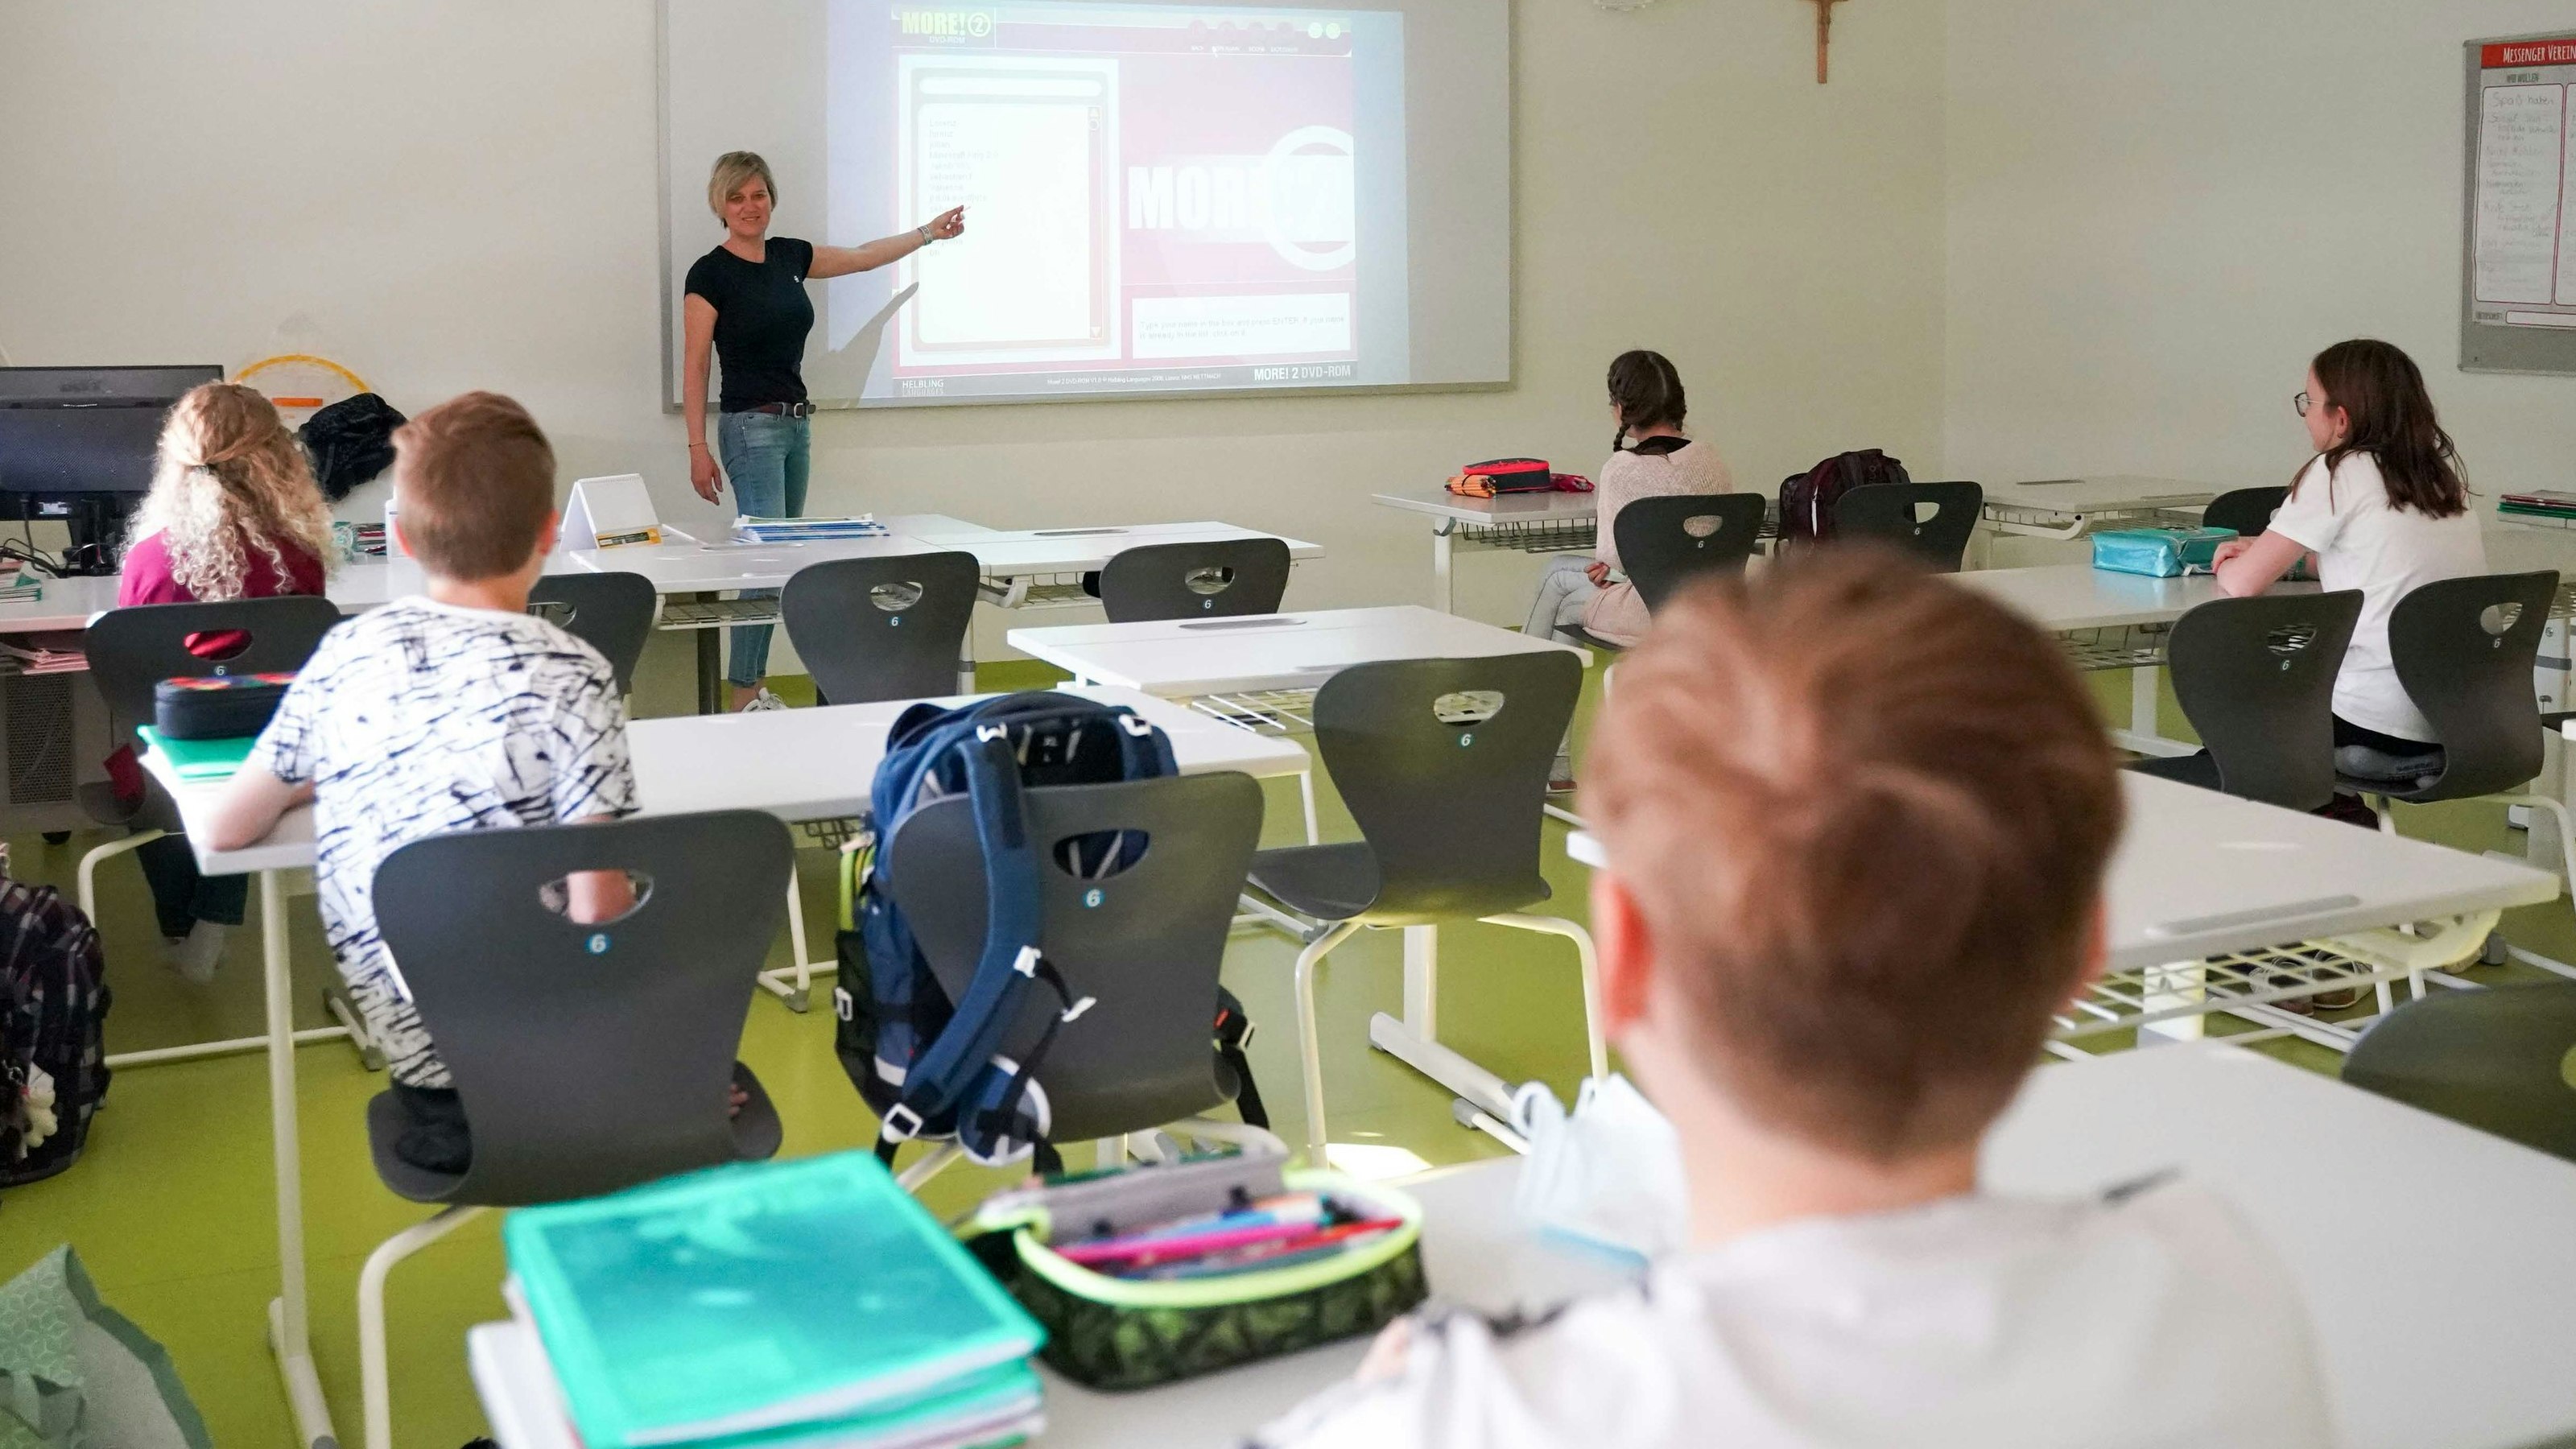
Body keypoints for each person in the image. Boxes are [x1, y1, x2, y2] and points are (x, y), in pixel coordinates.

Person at [1253, 552, 2332, 1449]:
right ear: (2081, 953)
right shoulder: (2221, 1294)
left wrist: (1388, 1397)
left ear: (1619, 952)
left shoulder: (1479, 1419)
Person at [204, 392, 638, 1172]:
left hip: (432, 1090)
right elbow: (596, 906)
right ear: (548, 532)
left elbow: (226, 828)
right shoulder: (576, 673)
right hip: (561, 1070)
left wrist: (340, 768)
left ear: (400, 537)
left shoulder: (348, 651)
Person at [682, 150, 966, 712]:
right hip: (749, 428)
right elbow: (694, 365)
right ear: (720, 205)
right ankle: (744, 694)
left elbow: (862, 259)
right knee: (765, 562)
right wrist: (695, 445)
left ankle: (752, 689)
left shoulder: (789, 256)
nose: (749, 206)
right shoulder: (709, 272)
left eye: (758, 195)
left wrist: (926, 235)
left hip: (795, 427)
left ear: (771, 199)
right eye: (736, 197)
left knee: (784, 562)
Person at [116, 382, 336, 984]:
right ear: (276, 462)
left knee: (134, 762)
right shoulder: (299, 557)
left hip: (180, 731)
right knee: (255, 752)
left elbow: (135, 664)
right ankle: (214, 922)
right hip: (269, 738)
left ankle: (180, 925)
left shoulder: (149, 560)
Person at [2212, 339, 2486, 767]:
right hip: (2458, 717)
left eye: (2309, 402)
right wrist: (2294, 559)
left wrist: (2232, 559)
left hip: (2374, 720)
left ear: (2340, 419)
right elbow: (2380, 561)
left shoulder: (2338, 469)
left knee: (2230, 738)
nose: (2304, 414)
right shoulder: (2439, 476)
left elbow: (2243, 584)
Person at [1523, 349, 1732, 789]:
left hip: (1650, 612)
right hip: (1706, 609)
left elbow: (1608, 562)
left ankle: (1533, 747)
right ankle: (1551, 763)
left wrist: (1613, 566)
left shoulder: (1623, 468)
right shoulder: (1709, 457)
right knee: (1562, 592)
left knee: (1556, 580)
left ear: (1621, 408)